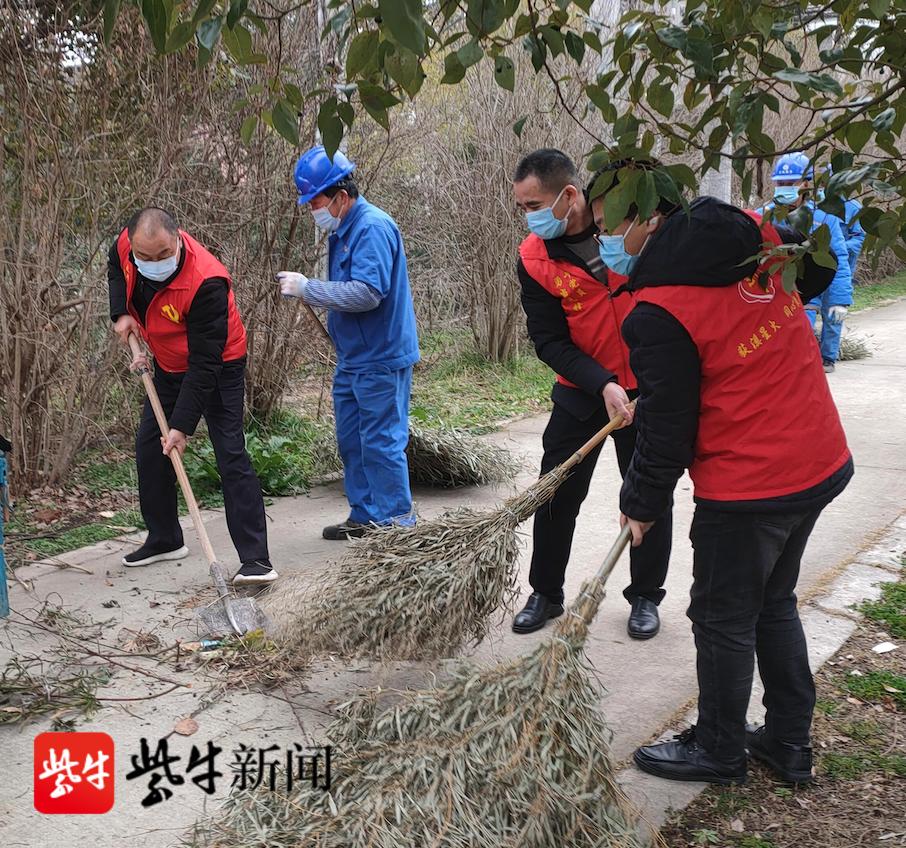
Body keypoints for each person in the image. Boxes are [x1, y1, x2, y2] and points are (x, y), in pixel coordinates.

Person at [587, 159, 853, 786]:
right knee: (772, 603)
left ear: (648, 219)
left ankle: (719, 748)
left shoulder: (656, 310)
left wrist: (641, 502)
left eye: (606, 228)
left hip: (753, 483)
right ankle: (788, 741)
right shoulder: (752, 234)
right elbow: (817, 269)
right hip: (816, 456)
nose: (602, 244)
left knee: (722, 617)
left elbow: (669, 434)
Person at [510, 149, 672, 639]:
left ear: (570, 195)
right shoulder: (534, 258)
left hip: (648, 388)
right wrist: (601, 382)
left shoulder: (628, 226)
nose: (529, 216)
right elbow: (549, 341)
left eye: (534, 203)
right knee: (555, 492)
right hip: (583, 390)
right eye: (522, 208)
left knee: (647, 491)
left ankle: (645, 596)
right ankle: (545, 592)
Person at [108, 207, 276, 585]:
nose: (154, 263)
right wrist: (120, 312)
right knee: (151, 445)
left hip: (219, 365)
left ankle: (256, 561)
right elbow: (115, 266)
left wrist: (182, 426)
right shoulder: (126, 245)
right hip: (168, 363)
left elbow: (205, 365)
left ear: (178, 238)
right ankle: (165, 537)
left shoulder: (207, 281)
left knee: (230, 451)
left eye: (163, 255)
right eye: (145, 257)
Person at [277, 146, 419, 540]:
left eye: (316, 201)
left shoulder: (371, 227)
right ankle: (365, 515)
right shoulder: (343, 230)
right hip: (354, 357)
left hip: (381, 356)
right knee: (353, 441)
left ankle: (399, 528)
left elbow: (368, 293)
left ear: (341, 194)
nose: (312, 210)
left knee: (381, 442)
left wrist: (311, 289)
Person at [759, 152, 853, 372]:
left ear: (806, 185)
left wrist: (840, 300)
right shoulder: (764, 215)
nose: (784, 188)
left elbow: (836, 259)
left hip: (813, 289)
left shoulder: (824, 217)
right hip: (777, 290)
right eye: (780, 183)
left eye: (790, 183)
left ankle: (826, 359)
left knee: (818, 327)